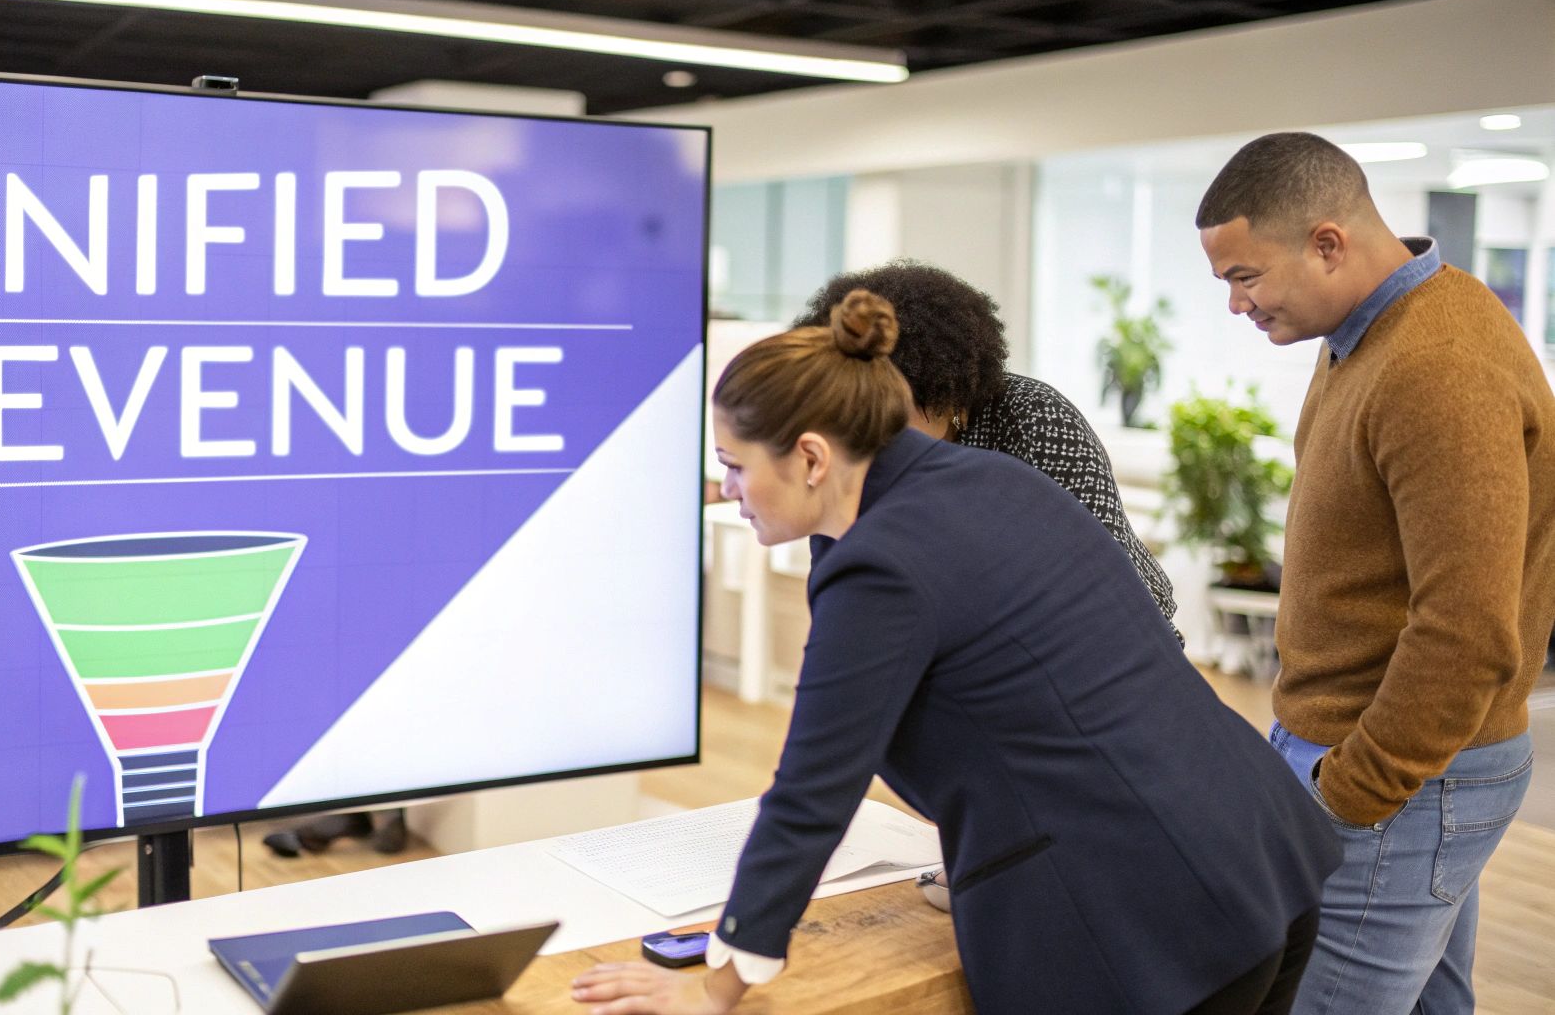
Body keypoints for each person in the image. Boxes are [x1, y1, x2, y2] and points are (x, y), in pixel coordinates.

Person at [572, 290, 1340, 1015]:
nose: (729, 490)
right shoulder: (991, 479)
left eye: (735, 466)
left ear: (810, 457)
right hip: (1257, 857)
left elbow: (812, 793)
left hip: (1144, 920)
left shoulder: (878, 565)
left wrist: (718, 987)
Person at [1196, 131, 1555, 1014]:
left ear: (1329, 243)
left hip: (1401, 775)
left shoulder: (1438, 365)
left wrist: (1352, 792)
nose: (1237, 306)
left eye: (1246, 277)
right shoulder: (1361, 333)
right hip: (1384, 761)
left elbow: (1466, 631)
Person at [792, 261, 1181, 637]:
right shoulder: (851, 458)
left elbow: (1101, 581)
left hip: (1109, 644)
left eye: (883, 407)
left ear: (943, 391)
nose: (866, 427)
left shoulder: (1034, 422)